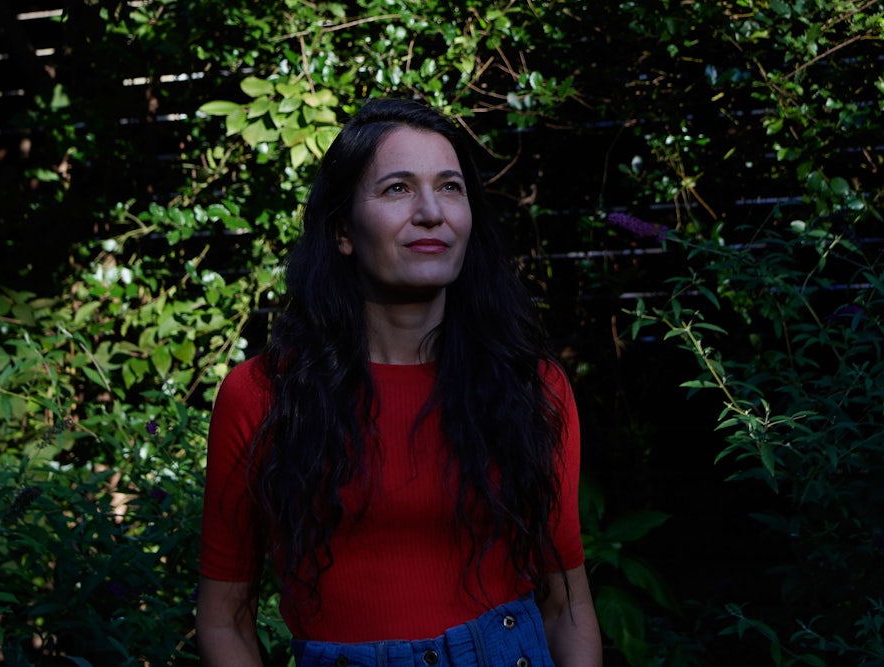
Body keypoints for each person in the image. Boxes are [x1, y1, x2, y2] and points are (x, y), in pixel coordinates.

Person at [196, 97, 602, 667]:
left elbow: (567, 607)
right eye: (398, 188)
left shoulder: (534, 388)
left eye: (450, 187)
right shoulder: (264, 397)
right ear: (342, 229)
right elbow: (224, 620)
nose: (432, 212)